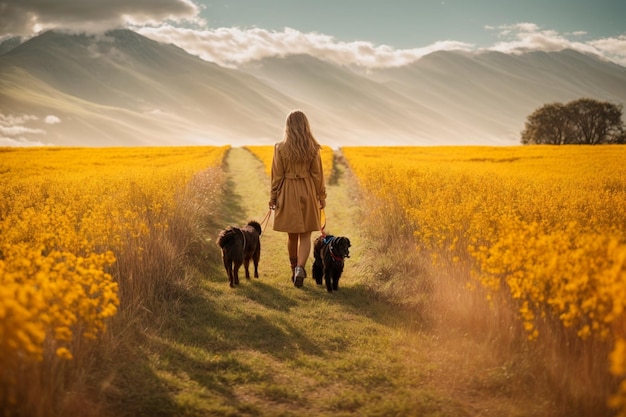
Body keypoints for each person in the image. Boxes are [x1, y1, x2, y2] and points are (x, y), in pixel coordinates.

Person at [269, 110, 326, 288]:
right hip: (308, 190)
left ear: (288, 127)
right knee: (306, 234)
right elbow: (317, 175)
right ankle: (300, 268)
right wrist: (321, 196)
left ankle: (294, 268)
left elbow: (277, 176)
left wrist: (273, 196)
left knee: (292, 235)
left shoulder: (280, 148)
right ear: (305, 126)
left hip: (287, 189)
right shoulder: (313, 148)